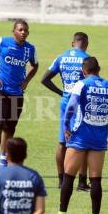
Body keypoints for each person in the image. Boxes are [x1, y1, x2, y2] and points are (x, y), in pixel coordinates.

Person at [52, 57, 108, 214]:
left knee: (69, 177)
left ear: (84, 71)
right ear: (99, 69)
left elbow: (71, 106)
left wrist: (65, 125)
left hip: (79, 136)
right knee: (96, 179)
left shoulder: (81, 84)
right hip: (99, 139)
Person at [0, 19, 39, 176]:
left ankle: (4, 163)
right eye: (20, 29)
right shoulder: (1, 42)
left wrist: (26, 81)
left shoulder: (30, 49)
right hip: (0, 91)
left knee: (9, 129)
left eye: (26, 30)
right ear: (14, 31)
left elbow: (35, 65)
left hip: (17, 94)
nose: (23, 32)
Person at [41, 32, 90, 191]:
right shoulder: (87, 60)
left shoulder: (61, 57)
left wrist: (61, 92)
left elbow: (44, 79)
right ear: (86, 44)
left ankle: (61, 181)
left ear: (72, 43)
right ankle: (82, 182)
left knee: (62, 142)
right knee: (82, 143)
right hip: (80, 105)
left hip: (65, 102)